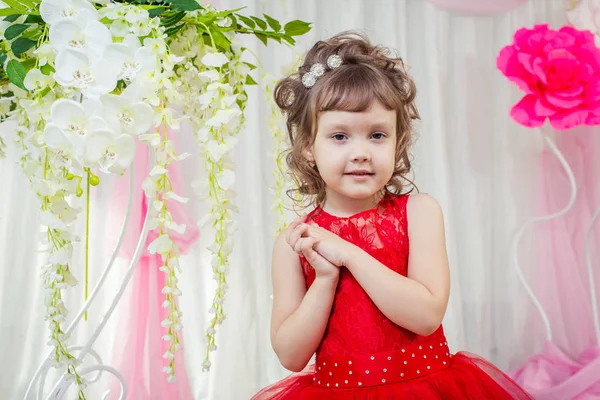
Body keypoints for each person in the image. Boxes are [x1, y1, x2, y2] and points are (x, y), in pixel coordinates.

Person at [251, 31, 532, 399]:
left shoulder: (419, 212)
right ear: (307, 147)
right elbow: (290, 354)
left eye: (377, 135)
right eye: (339, 136)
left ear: (398, 142)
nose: (361, 152)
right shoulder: (296, 243)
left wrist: (349, 253)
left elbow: (426, 316)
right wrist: (324, 277)